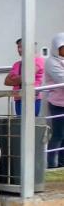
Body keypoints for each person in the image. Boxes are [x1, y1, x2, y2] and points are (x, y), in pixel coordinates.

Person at [4, 37, 45, 116]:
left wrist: (15, 79)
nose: (19, 49)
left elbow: (27, 77)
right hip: (18, 98)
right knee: (19, 123)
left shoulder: (38, 60)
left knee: (31, 124)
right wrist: (20, 78)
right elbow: (6, 81)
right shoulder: (17, 64)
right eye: (18, 47)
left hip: (32, 98)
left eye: (21, 47)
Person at [45, 33, 64, 169]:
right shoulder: (52, 62)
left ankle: (62, 163)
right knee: (58, 134)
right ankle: (52, 164)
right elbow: (61, 79)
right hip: (58, 104)